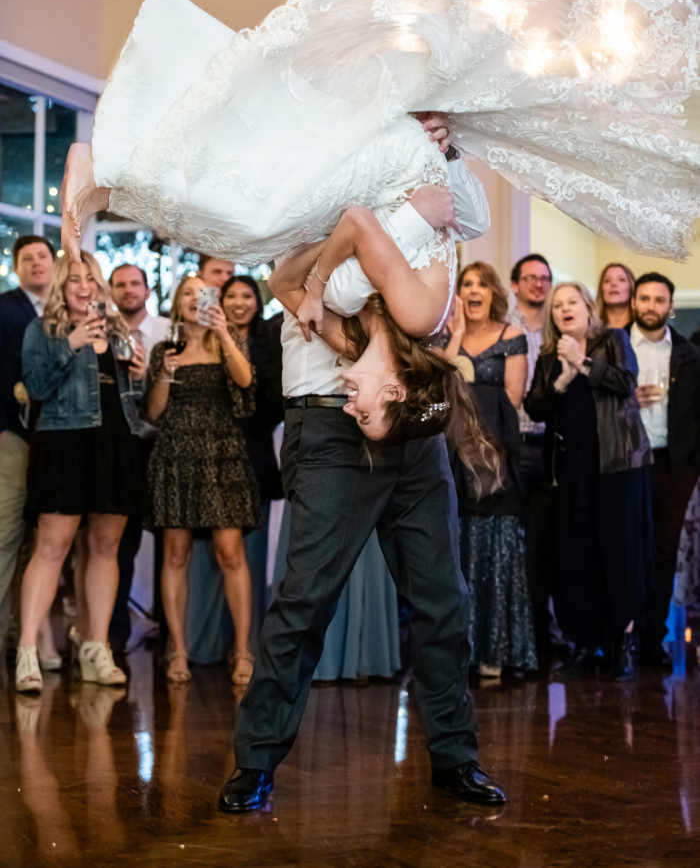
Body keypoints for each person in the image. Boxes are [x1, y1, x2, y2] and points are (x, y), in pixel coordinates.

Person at [61, 0, 698, 272]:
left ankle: (108, 173)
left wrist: (446, 150)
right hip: (362, 146)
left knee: (255, 228)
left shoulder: (449, 138)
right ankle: (103, 166)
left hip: (383, 163)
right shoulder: (392, 75)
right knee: (254, 210)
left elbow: (470, 218)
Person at [220, 183, 506, 814]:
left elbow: (470, 216)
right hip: (327, 429)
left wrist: (441, 166)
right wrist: (389, 223)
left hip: (412, 424)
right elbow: (284, 279)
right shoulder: (316, 196)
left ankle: (455, 757)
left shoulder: (418, 303)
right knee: (304, 599)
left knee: (445, 600)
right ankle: (256, 763)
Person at [16, 252, 150, 693]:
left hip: (115, 443)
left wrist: (143, 373)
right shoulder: (43, 330)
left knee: (106, 547)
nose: (83, 285)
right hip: (65, 442)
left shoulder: (120, 331)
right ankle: (28, 652)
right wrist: (71, 342)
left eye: (90, 277)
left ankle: (96, 647)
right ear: (61, 285)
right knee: (52, 549)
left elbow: (134, 396)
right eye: (73, 278)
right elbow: (35, 388)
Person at [524, 282, 653, 682]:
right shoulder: (550, 355)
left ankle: (622, 646)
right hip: (570, 471)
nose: (564, 309)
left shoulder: (613, 339)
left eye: (571, 302)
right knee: (577, 559)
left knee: (620, 556)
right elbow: (534, 406)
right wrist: (563, 377)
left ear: (587, 307)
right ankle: (583, 645)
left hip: (617, 467)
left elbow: (625, 383)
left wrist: (583, 363)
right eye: (557, 305)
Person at [144, 275, 260, 685]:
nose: (196, 299)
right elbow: (153, 413)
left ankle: (243, 650)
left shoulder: (227, 343)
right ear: (177, 304)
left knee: (231, 553)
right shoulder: (164, 351)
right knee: (175, 555)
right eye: (188, 293)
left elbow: (246, 384)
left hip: (222, 455)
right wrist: (164, 375)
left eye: (202, 293)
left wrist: (224, 334)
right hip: (176, 455)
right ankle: (177, 648)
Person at [440, 261, 536, 678]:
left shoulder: (512, 337)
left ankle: (495, 652)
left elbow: (512, 399)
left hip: (495, 458)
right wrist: (457, 335)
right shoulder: (445, 338)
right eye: (466, 284)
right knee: (455, 549)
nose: (474, 290)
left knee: (497, 551)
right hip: (451, 456)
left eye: (481, 283)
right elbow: (437, 387)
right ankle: (460, 654)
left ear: (494, 292)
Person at [626, 272, 700, 668]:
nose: (651, 306)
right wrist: (628, 397)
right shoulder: (613, 345)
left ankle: (652, 637)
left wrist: (693, 464)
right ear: (634, 302)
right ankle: (624, 634)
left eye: (659, 300)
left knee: (665, 551)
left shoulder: (690, 354)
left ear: (670, 307)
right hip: (627, 462)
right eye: (645, 298)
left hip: (674, 464)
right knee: (629, 549)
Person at [0, 235, 59, 668]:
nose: (36, 264)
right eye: (27, 259)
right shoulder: (5, 308)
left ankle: (33, 638)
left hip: (59, 442)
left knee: (45, 545)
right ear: (16, 268)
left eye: (42, 256)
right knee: (5, 537)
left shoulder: (68, 309)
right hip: (14, 439)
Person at [106, 263, 170, 653]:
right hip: (119, 449)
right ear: (112, 291)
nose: (128, 290)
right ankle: (113, 634)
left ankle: (167, 629)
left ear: (147, 291)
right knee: (119, 543)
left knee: (170, 542)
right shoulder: (102, 332)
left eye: (135, 284)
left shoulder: (167, 331)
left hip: (164, 447)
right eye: (121, 285)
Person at [220, 275, 283, 648]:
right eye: (232, 296)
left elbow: (274, 398)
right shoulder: (205, 335)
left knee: (253, 550)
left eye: (247, 295)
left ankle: (252, 640)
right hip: (212, 448)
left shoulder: (268, 341)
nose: (240, 302)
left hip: (255, 447)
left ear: (258, 303)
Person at [508, 253, 556, 656]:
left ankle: (541, 636)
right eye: (530, 278)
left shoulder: (560, 328)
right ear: (515, 285)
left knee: (546, 545)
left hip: (554, 445)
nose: (538, 284)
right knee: (513, 538)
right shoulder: (505, 327)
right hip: (515, 442)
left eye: (544, 278)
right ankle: (510, 635)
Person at [597, 263, 636, 328]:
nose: (613, 283)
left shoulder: (642, 327)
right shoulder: (590, 328)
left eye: (621, 280)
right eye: (607, 281)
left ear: (632, 287)